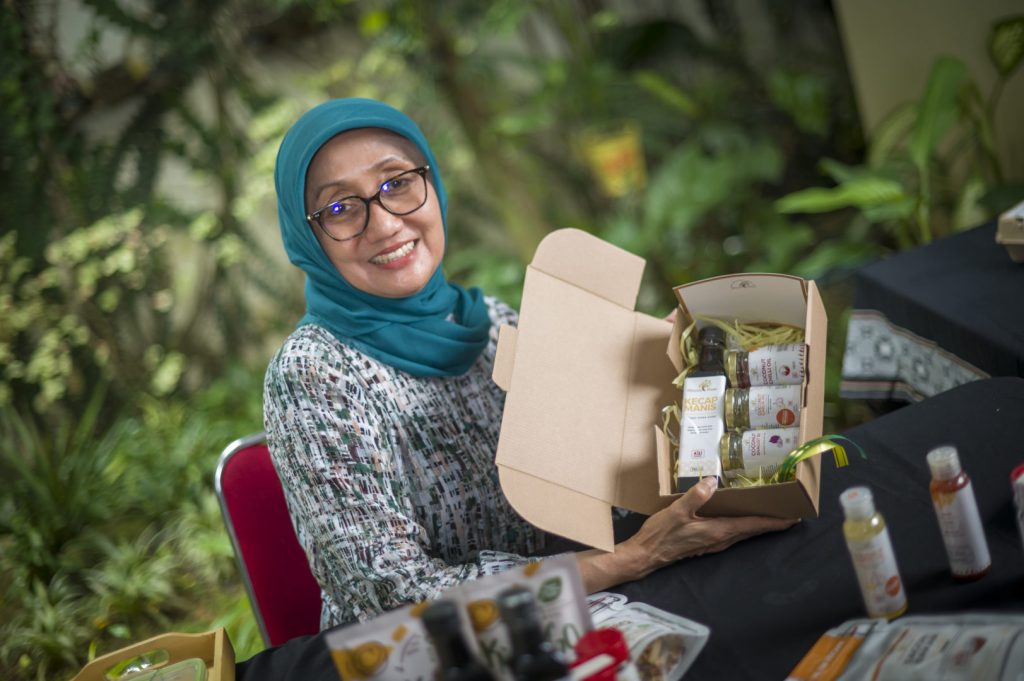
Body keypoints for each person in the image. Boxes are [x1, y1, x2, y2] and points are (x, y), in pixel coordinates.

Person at [264, 97, 797, 629]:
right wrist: (633, 558)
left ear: (432, 184)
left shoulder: (489, 323)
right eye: (340, 208)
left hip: (584, 616)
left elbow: (582, 490)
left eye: (397, 183)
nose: (382, 223)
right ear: (307, 237)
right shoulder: (315, 375)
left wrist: (656, 398)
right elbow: (397, 599)